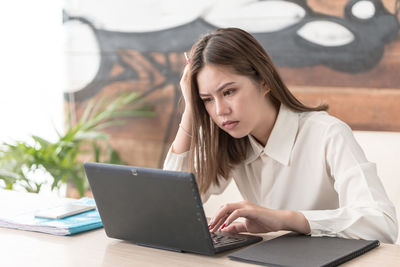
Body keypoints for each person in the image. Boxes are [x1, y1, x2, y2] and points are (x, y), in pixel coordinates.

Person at [163, 28, 398, 243]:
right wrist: (191, 111)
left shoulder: (328, 134)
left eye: (229, 91)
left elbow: (382, 224)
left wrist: (286, 219)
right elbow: (169, 209)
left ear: (264, 81)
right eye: (207, 99)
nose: (220, 111)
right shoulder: (229, 139)